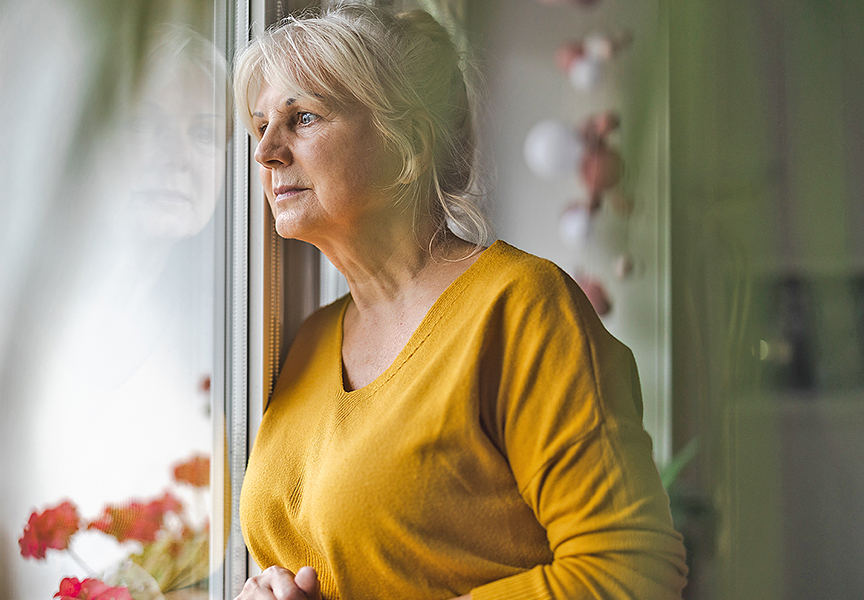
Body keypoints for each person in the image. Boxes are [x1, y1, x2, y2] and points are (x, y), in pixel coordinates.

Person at [232, 5, 687, 599]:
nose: (266, 152)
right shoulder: (310, 339)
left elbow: (632, 568)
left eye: (303, 118)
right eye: (261, 125)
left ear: (410, 144)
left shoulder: (521, 306)